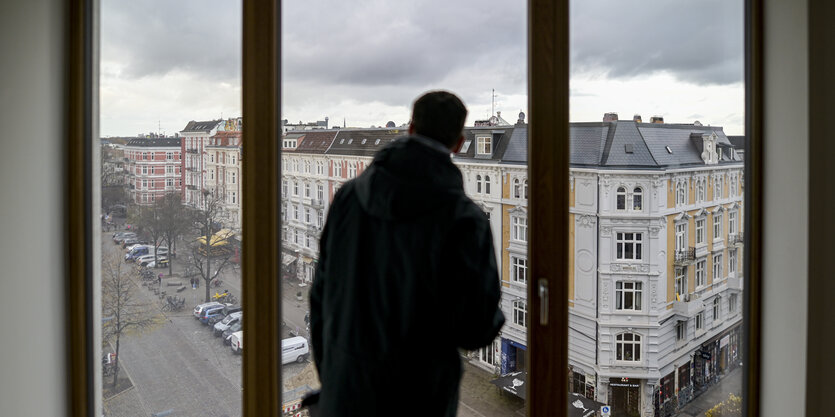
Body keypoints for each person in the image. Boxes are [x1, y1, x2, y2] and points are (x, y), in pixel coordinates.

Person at [309, 91, 505, 417]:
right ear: (458, 143)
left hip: (347, 392)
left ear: (410, 128)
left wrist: (334, 375)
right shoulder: (464, 219)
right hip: (419, 398)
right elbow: (476, 328)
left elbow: (321, 297)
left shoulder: (349, 198)